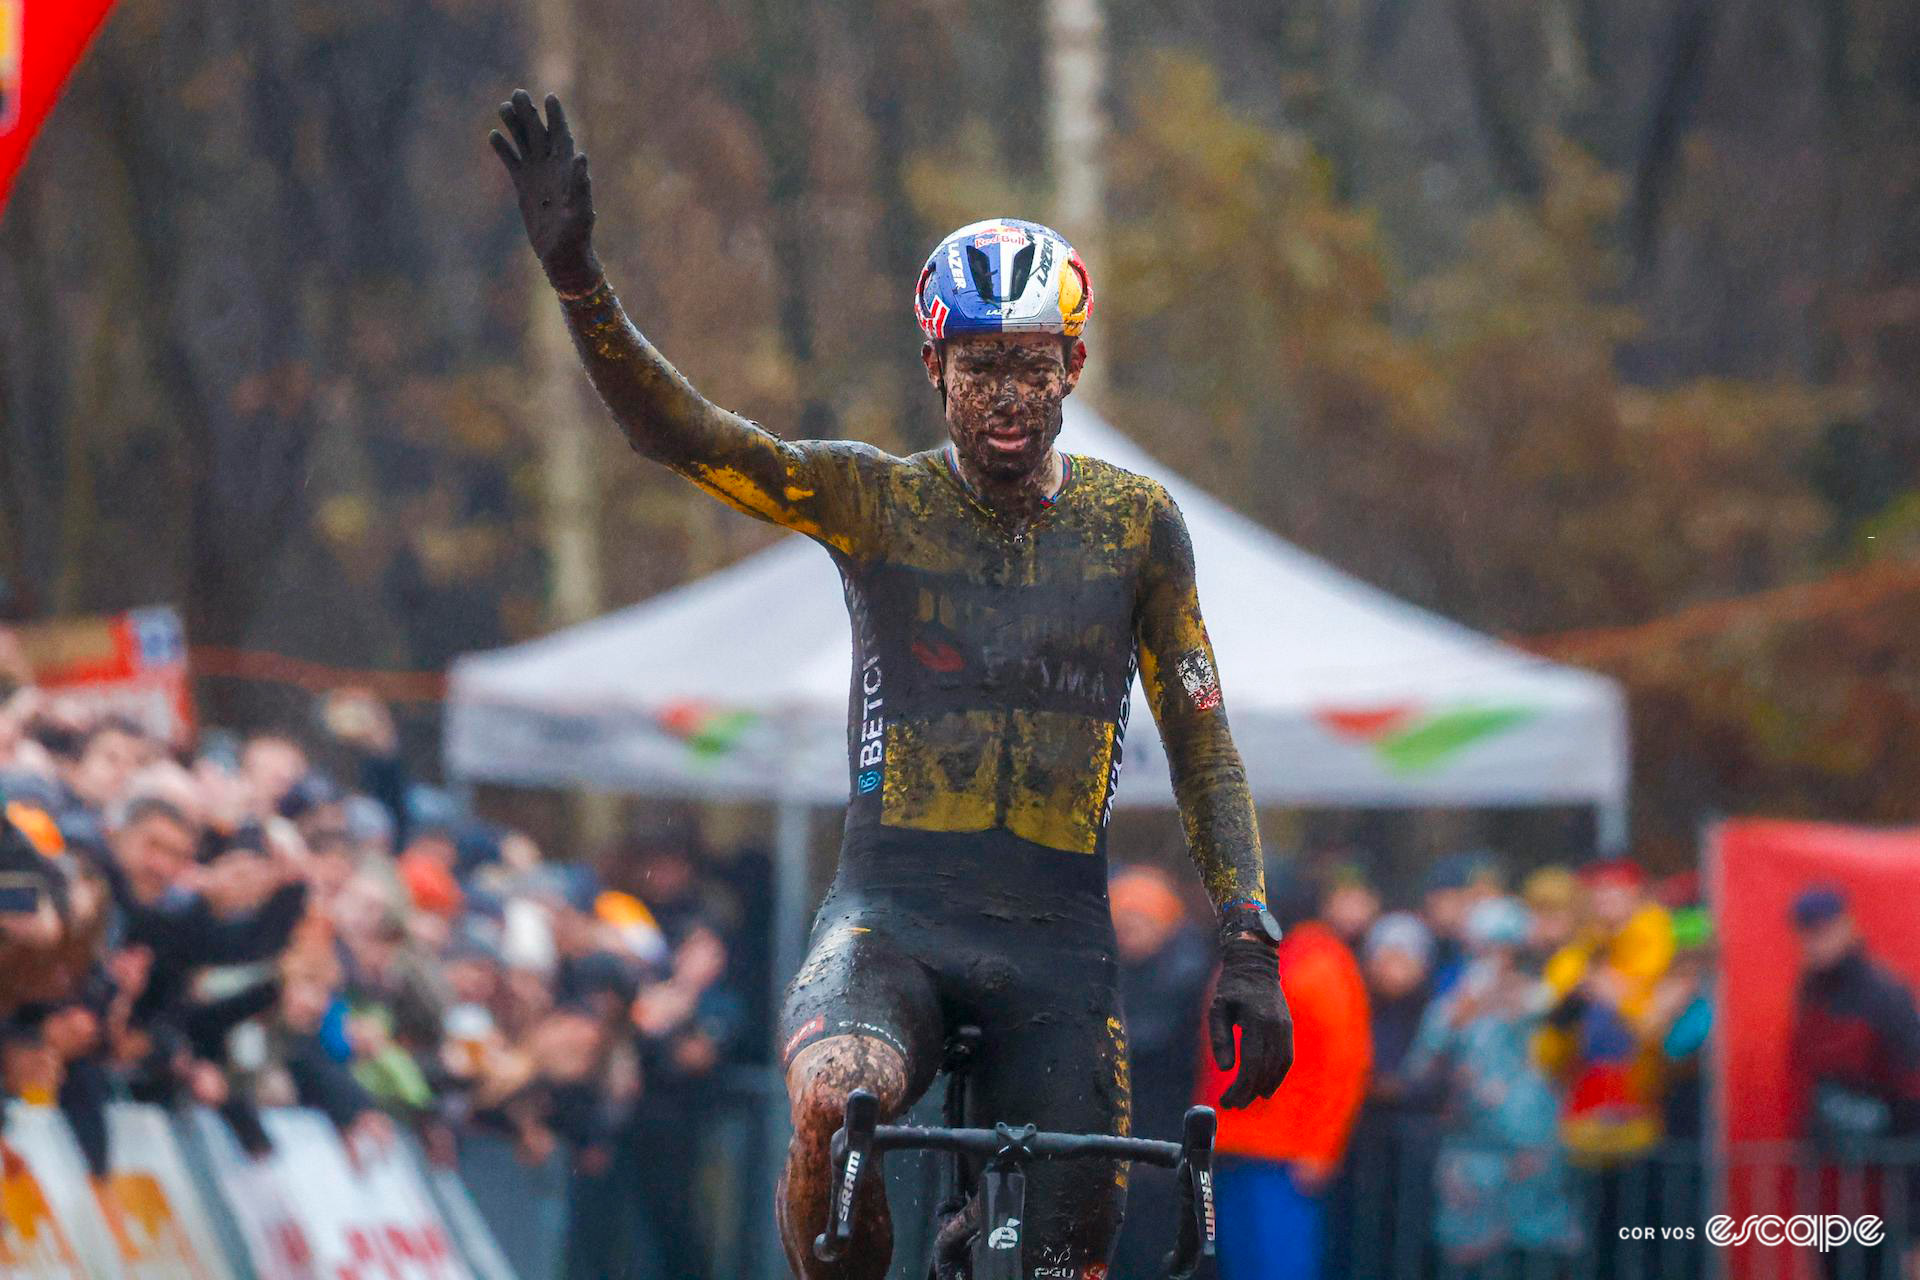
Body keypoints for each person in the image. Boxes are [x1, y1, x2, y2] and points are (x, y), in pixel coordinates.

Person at [490, 90, 1294, 1277]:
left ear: (1073, 363)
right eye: (979, 368)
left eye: (1031, 366)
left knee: (1066, 1261)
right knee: (831, 1098)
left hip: (1059, 943)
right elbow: (687, 436)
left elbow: (1204, 740)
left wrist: (1248, 937)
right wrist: (579, 283)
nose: (1008, 397)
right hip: (891, 920)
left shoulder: (1139, 525)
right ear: (935, 366)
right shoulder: (876, 498)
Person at [1197, 868, 1370, 1280]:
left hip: (1288, 1151)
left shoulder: (1321, 962)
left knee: (1281, 1263)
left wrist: (1321, 1147)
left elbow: (1344, 1063)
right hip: (1235, 1140)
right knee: (1241, 1261)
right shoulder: (1250, 953)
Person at [1403, 898, 1580, 1277]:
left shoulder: (1542, 1001)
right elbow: (1418, 1070)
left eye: (1505, 949)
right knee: (1468, 1255)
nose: (1495, 960)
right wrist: (1456, 1017)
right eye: (1483, 949)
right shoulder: (1451, 1008)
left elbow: (1569, 1050)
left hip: (1532, 1150)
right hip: (1470, 1151)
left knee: (1536, 1253)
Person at [1108, 864, 1214, 1279]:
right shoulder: (1114, 970)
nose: (1131, 931)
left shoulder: (1187, 971)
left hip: (1169, 1127)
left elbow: (1155, 1042)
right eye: (1123, 921)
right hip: (1125, 1133)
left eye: (1140, 921)